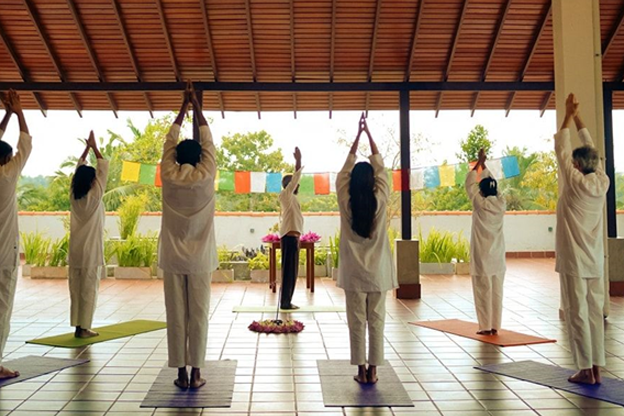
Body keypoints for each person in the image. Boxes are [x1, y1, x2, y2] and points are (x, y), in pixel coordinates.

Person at [159, 82, 217, 389]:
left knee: (176, 314)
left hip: (171, 256)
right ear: (200, 158)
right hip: (200, 258)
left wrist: (183, 108)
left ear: (177, 158)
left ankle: (180, 372)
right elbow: (209, 143)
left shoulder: (168, 176)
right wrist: (196, 105)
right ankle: (196, 373)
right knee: (199, 314)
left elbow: (168, 143)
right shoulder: (206, 176)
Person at [336, 114, 397, 384]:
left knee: (357, 321)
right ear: (372, 182)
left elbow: (342, 174)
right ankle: (374, 371)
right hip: (378, 272)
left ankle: (360, 370)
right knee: (377, 320)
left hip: (354, 274)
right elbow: (382, 170)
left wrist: (356, 139)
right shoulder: (380, 200)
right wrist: (368, 135)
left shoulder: (345, 201)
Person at [555, 93, 609, 385]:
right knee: (593, 312)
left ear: (576, 166)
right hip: (594, 260)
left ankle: (586, 370)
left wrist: (567, 115)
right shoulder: (602, 182)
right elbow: (593, 154)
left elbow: (561, 150)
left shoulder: (575, 183)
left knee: (577, 313)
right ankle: (597, 368)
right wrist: (578, 118)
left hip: (575, 261)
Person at [0, 90, 31, 379]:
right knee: (2, 308)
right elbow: (26, 144)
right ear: (8, 159)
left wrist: (8, 113)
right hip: (4, 254)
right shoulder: (8, 176)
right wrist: (18, 111)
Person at [68, 131, 109, 338]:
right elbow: (103, 168)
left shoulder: (74, 195)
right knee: (88, 290)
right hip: (90, 252)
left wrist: (86, 149)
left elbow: (79, 169)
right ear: (93, 181)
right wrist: (94, 147)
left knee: (76, 290)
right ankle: (84, 328)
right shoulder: (94, 196)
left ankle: (77, 326)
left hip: (75, 251)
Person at [465, 148, 506, 336]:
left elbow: (469, 184)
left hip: (482, 254)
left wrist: (479, 163)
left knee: (483, 290)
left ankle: (485, 326)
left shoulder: (479, 203)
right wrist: (485, 167)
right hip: (497, 255)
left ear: (480, 191)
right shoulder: (501, 204)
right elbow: (493, 188)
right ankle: (496, 324)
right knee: (497, 290)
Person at [278, 147, 303, 310]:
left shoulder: (292, 198)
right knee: (288, 272)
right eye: (294, 184)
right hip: (289, 237)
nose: (297, 185)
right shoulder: (286, 195)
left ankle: (287, 301)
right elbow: (295, 179)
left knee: (291, 272)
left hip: (292, 237)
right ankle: (285, 303)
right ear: (289, 186)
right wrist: (298, 161)